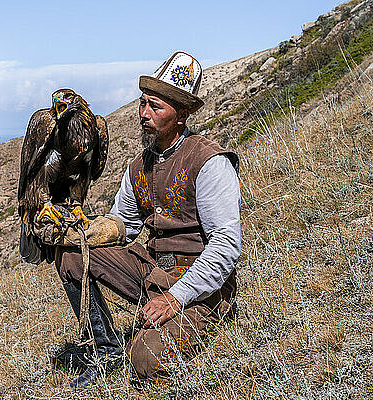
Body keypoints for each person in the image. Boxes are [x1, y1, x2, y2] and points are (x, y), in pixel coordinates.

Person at [54, 51, 241, 389]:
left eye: (156, 107)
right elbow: (124, 222)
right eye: (143, 104)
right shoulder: (139, 165)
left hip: (199, 285)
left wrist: (175, 298)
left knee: (146, 362)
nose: (144, 114)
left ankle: (202, 322)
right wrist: (87, 231)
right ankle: (107, 348)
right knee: (71, 256)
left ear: (181, 115)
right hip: (152, 268)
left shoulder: (209, 162)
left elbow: (226, 247)